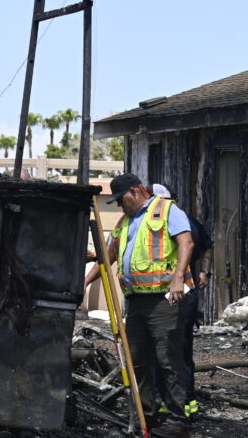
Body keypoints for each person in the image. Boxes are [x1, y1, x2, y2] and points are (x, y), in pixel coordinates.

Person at [83, 173, 194, 435]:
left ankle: (178, 420)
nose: (120, 206)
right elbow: (108, 256)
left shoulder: (167, 210)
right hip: (135, 301)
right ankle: (147, 416)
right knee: (138, 361)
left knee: (168, 360)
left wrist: (178, 278)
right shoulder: (125, 222)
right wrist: (85, 282)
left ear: (135, 191)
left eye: (121, 200)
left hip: (164, 299)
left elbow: (187, 242)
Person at [152, 183, 213, 418]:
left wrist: (203, 271)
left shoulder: (176, 222)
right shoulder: (181, 221)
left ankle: (180, 402)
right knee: (178, 348)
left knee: (173, 349)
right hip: (177, 292)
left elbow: (205, 245)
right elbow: (206, 246)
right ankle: (182, 401)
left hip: (178, 293)